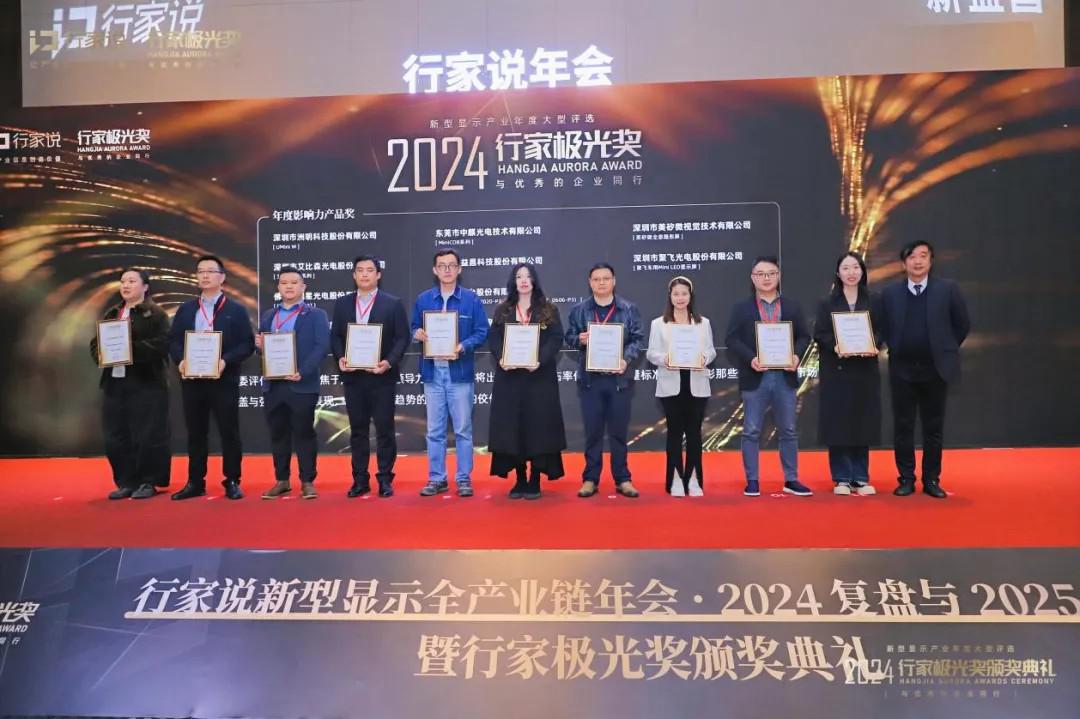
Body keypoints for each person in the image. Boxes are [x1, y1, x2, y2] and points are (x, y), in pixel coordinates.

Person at [879, 240, 970, 499]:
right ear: (903, 263)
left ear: (931, 261)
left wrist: (944, 349)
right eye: (912, 257)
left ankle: (931, 479)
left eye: (923, 256)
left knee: (933, 427)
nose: (917, 261)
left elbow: (961, 324)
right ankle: (906, 479)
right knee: (903, 427)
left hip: (935, 369)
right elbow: (883, 326)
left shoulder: (947, 290)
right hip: (902, 369)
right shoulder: (890, 293)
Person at [168, 255, 255, 501]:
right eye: (200, 271)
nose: (205, 275)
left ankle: (232, 480)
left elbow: (246, 344)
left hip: (223, 380)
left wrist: (225, 360)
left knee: (229, 432)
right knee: (196, 433)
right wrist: (180, 360)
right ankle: (195, 482)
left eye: (210, 271)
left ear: (222, 277)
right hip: (192, 381)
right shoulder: (186, 309)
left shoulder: (235, 310)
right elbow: (173, 340)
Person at [725, 255, 812, 497]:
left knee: (789, 430)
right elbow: (731, 339)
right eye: (761, 274)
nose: (766, 278)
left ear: (778, 276)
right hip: (756, 376)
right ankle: (752, 480)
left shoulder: (792, 306)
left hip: (784, 376)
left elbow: (804, 336)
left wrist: (796, 355)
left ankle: (791, 479)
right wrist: (750, 358)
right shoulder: (741, 308)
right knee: (751, 430)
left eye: (771, 273)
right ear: (753, 278)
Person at [410, 248, 489, 497]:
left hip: (459, 372)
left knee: (463, 429)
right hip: (432, 372)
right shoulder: (423, 299)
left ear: (459, 269)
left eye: (452, 265)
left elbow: (482, 332)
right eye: (442, 266)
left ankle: (463, 478)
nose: (447, 270)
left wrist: (463, 346)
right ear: (435, 270)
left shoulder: (471, 300)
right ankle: (437, 478)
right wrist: (417, 333)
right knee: (434, 430)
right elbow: (414, 327)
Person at [564, 262, 646, 498]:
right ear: (590, 283)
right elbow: (569, 336)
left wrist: (626, 359)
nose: (601, 283)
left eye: (606, 278)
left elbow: (638, 339)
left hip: (619, 379)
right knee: (593, 432)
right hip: (591, 380)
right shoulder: (579, 310)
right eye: (596, 279)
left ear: (614, 281)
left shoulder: (628, 309)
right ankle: (590, 479)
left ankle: (623, 478)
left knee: (619, 432)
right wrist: (579, 339)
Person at [331, 255, 409, 498]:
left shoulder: (392, 303)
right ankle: (359, 479)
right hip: (354, 378)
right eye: (360, 270)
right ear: (354, 275)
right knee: (358, 430)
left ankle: (385, 478)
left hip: (382, 377)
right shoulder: (342, 304)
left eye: (369, 270)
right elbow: (336, 336)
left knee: (385, 430)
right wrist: (340, 357)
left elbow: (402, 338)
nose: (364, 274)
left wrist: (388, 362)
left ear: (378, 275)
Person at [89, 269, 171, 499]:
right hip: (115, 383)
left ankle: (149, 481)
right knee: (115, 435)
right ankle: (126, 481)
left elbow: (163, 344)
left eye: (132, 281)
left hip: (146, 382)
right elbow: (96, 343)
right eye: (123, 281)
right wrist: (102, 355)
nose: (126, 285)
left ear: (145, 287)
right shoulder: (112, 313)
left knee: (148, 434)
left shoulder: (156, 314)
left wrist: (129, 349)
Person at [487, 263, 567, 500]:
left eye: (528, 276)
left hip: (538, 379)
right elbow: (494, 339)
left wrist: (539, 359)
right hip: (510, 379)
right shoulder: (503, 310)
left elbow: (556, 338)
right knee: (514, 428)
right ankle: (520, 477)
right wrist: (501, 358)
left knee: (538, 428)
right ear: (513, 281)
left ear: (534, 281)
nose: (523, 281)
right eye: (519, 276)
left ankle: (534, 478)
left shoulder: (548, 310)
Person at [257, 267, 330, 500]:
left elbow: (322, 346)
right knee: (278, 434)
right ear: (278, 287)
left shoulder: (316, 314)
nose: (289, 286)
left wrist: (303, 371)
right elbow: (263, 350)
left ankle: (307, 481)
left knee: (304, 433)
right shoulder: (269, 316)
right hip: (273, 385)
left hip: (302, 384)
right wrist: (259, 346)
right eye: (284, 282)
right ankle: (282, 480)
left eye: (294, 282)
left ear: (303, 287)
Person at [812, 252, 882, 496]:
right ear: (838, 273)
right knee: (838, 423)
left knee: (862, 422)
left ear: (862, 271)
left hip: (864, 370)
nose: (851, 272)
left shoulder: (874, 300)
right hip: (837, 371)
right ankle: (841, 477)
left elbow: (882, 330)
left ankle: (860, 477)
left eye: (855, 267)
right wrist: (835, 346)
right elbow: (820, 334)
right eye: (846, 268)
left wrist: (875, 344)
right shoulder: (827, 303)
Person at [646, 276, 716, 496]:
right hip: (671, 384)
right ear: (670, 296)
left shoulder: (703, 323)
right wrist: (664, 359)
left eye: (684, 293)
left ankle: (694, 479)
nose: (680, 298)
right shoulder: (659, 324)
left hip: (697, 383)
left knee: (694, 433)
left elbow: (711, 350)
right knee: (674, 433)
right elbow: (651, 353)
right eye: (676, 294)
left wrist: (705, 358)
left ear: (690, 296)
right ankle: (675, 479)